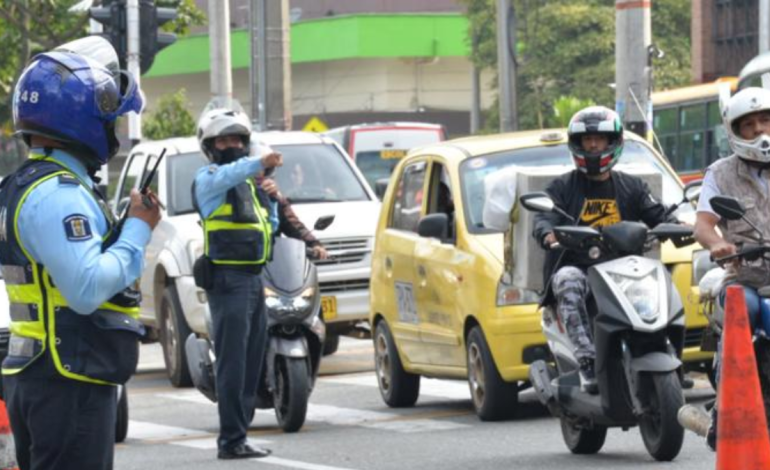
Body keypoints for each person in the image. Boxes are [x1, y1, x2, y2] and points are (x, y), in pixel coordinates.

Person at [0, 37, 159, 470]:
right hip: (67, 379)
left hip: (43, 373)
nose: (114, 133)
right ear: (80, 121)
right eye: (109, 121)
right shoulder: (59, 195)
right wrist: (138, 231)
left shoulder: (24, 185)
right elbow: (86, 288)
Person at [532, 106, 675, 394]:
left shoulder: (632, 186)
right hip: (580, 266)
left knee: (661, 280)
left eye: (600, 139)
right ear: (577, 144)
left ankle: (666, 352)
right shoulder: (562, 187)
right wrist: (548, 234)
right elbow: (544, 217)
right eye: (587, 140)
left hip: (624, 269)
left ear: (613, 142)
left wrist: (678, 225)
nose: (594, 145)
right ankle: (586, 360)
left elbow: (657, 214)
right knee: (567, 280)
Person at [192, 102, 282, 460]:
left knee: (250, 360)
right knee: (231, 362)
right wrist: (259, 163)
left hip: (253, 277)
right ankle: (230, 440)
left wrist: (272, 199)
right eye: (223, 140)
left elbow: (268, 226)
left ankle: (239, 434)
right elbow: (230, 175)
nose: (232, 145)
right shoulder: (210, 180)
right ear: (210, 147)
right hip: (228, 281)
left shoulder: (250, 185)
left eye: (238, 140)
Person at [692, 86, 770, 451]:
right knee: (745, 310)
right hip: (747, 275)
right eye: (749, 124)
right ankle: (724, 413)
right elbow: (704, 224)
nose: (759, 130)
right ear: (735, 132)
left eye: (766, 120)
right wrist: (718, 245)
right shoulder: (720, 173)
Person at [259, 176, 329, 259]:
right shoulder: (241, 190)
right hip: (243, 260)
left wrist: (314, 244)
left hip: (270, 263)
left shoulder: (275, 198)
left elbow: (293, 225)